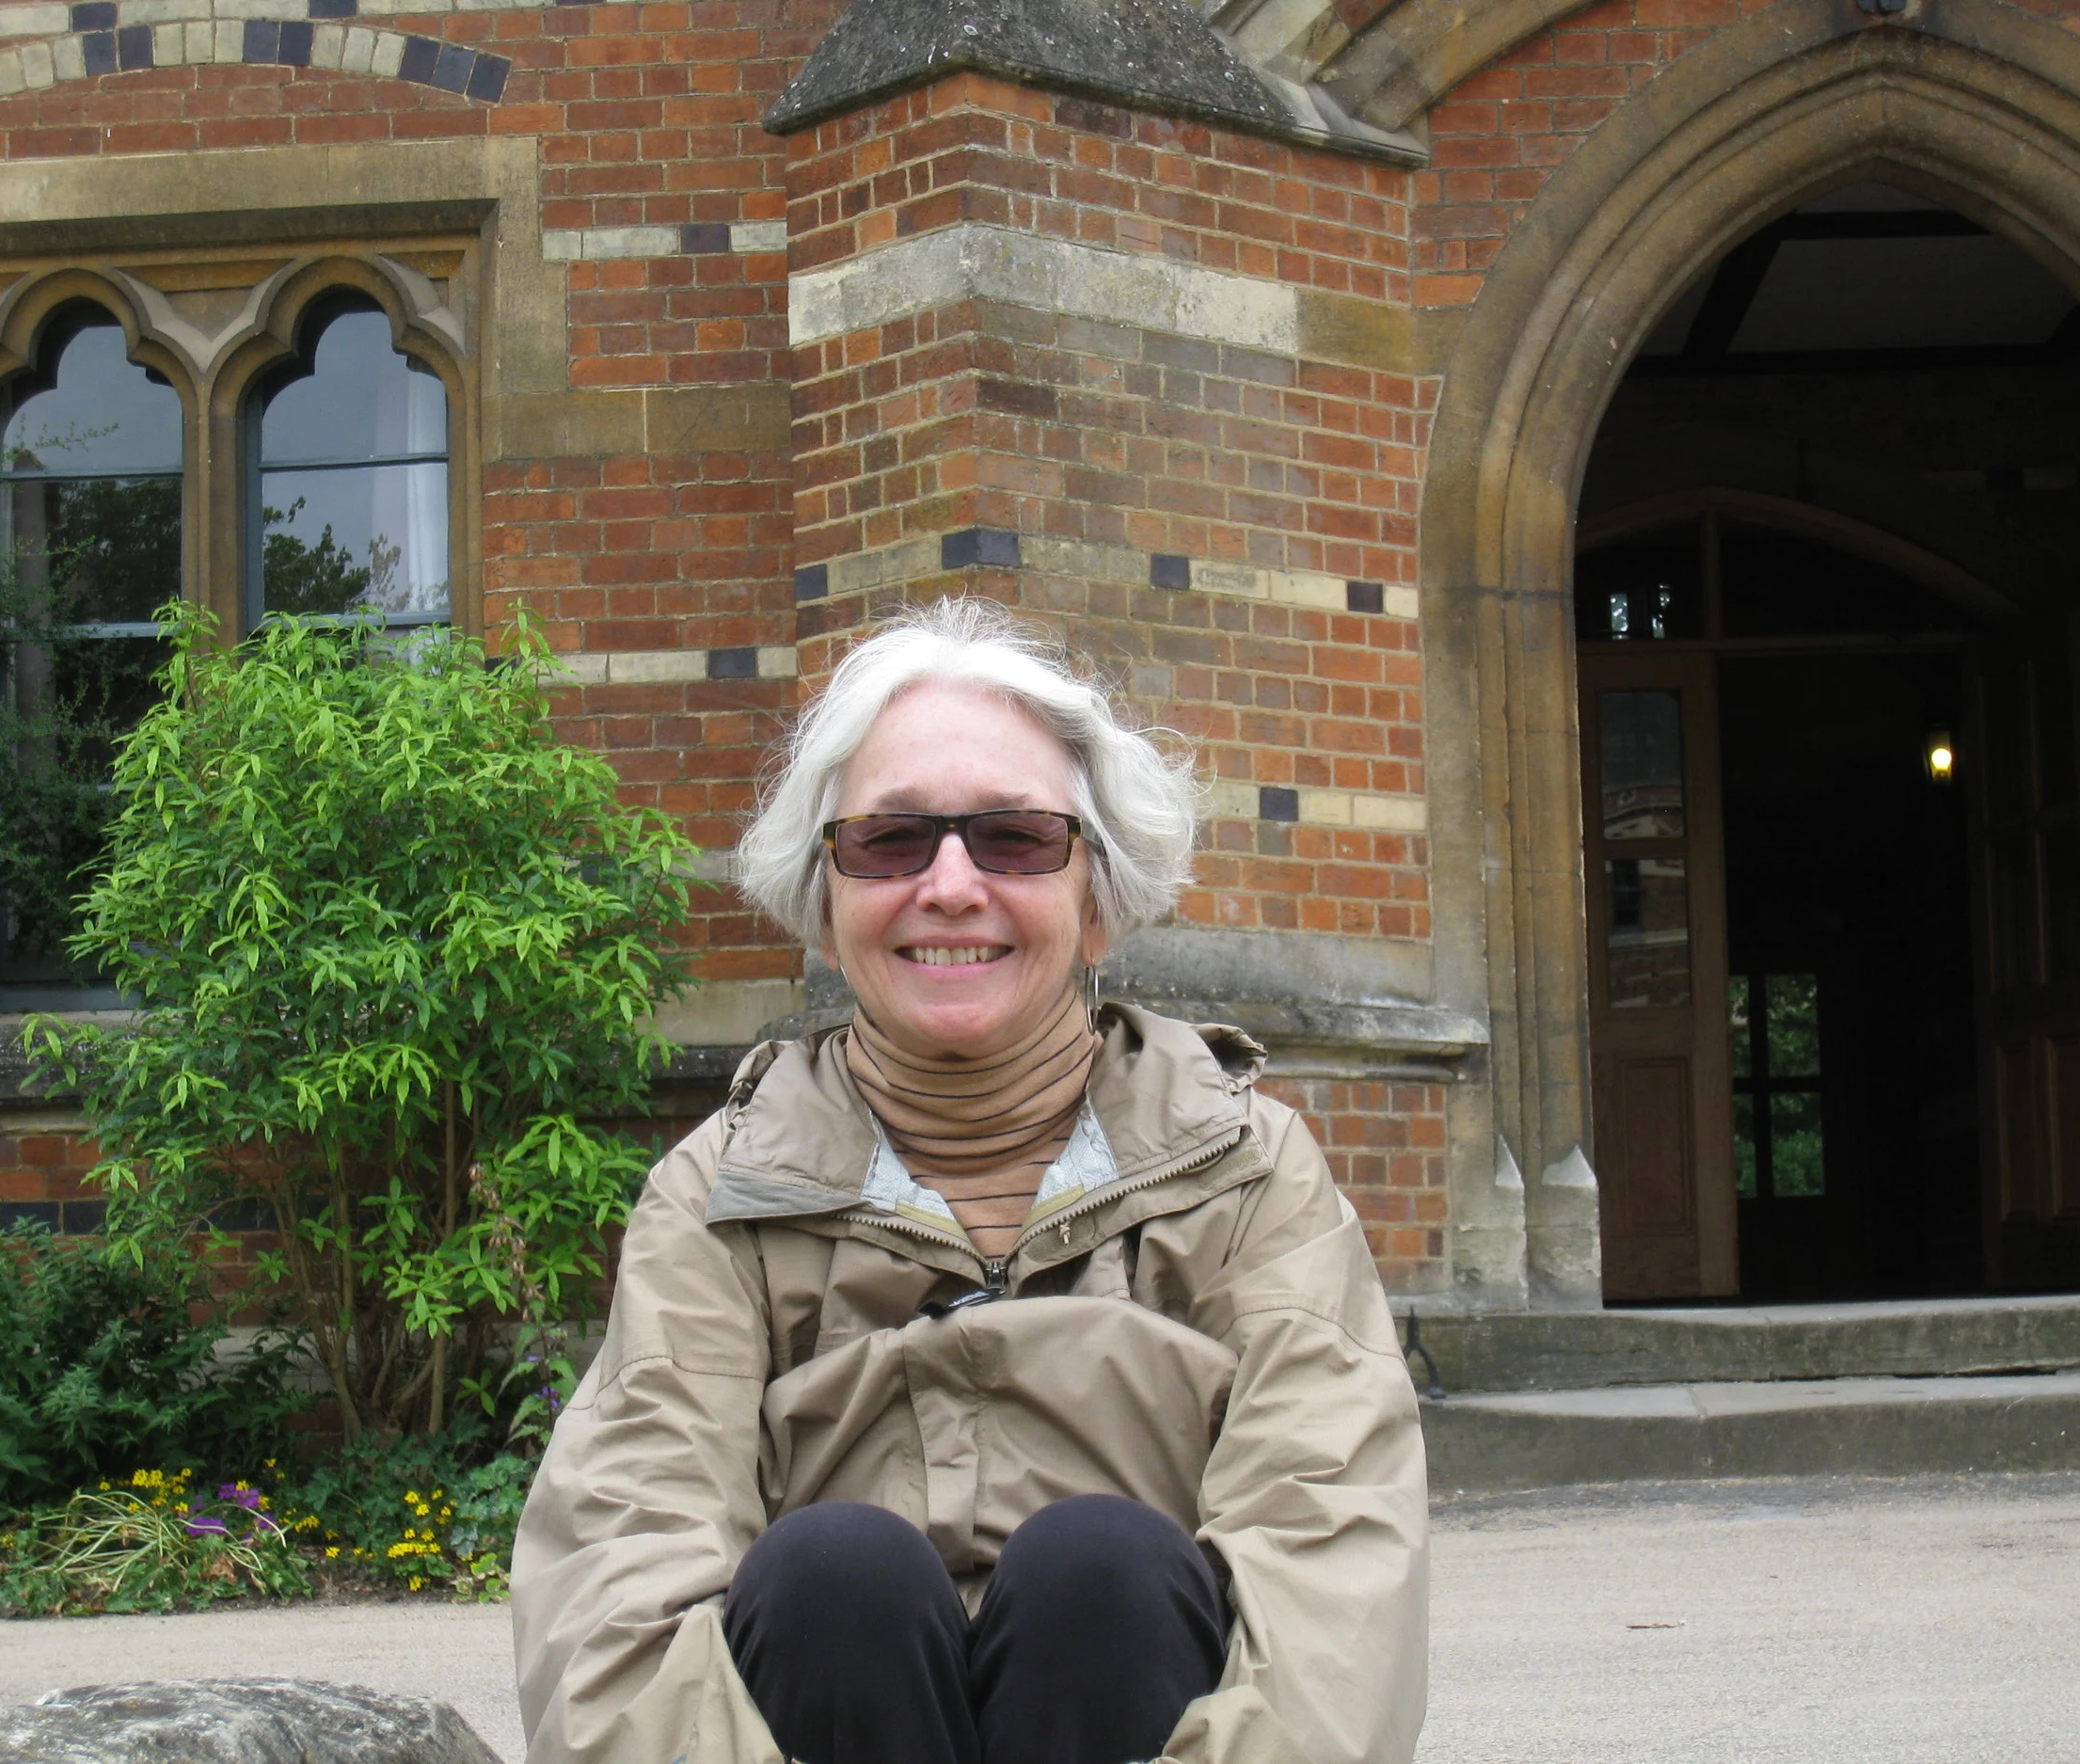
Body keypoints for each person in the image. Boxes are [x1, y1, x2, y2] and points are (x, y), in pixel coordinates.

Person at [513, 598, 1428, 1764]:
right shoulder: (721, 1197)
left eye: (1014, 839)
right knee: (834, 1575)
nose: (948, 885)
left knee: (1104, 1567)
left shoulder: (1248, 1176)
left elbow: (1329, 1561)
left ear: (1098, 900)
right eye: (890, 843)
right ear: (827, 902)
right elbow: (619, 1569)